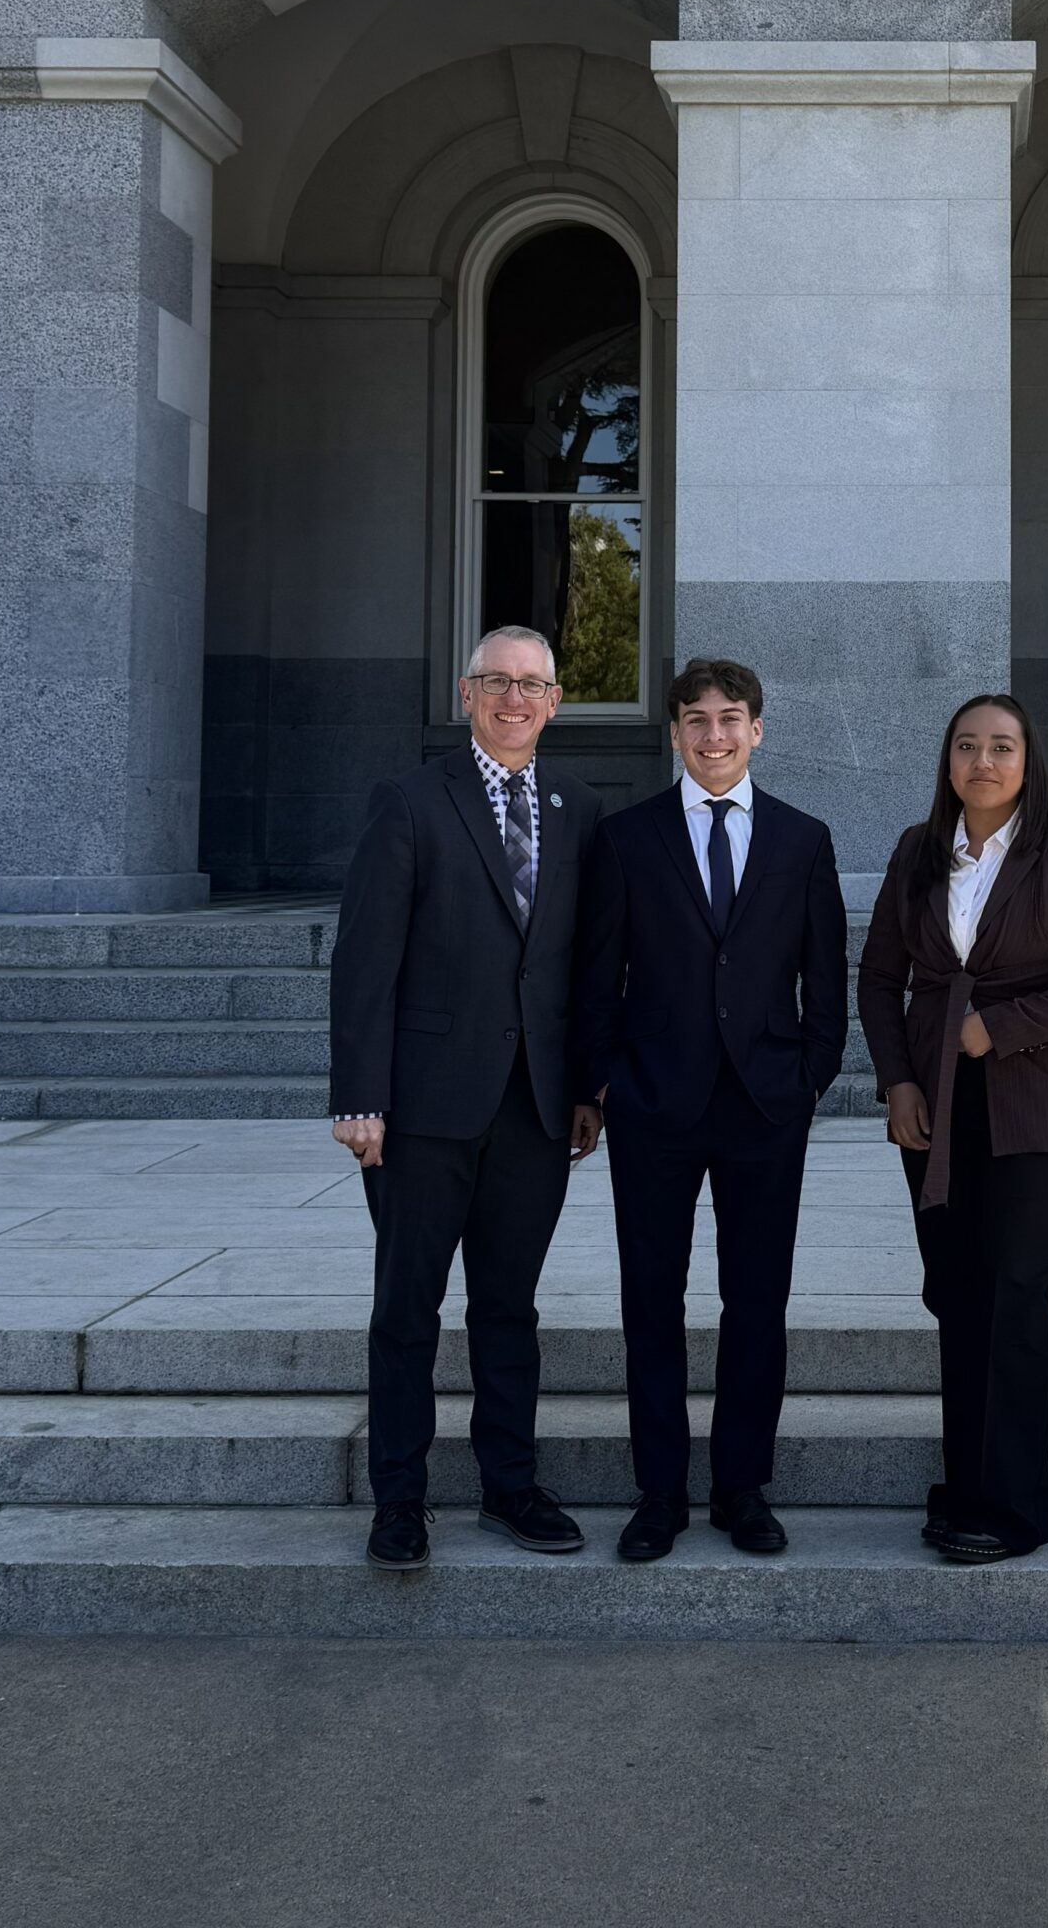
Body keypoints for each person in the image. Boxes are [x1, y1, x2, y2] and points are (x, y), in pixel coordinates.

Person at [329, 625, 605, 1572]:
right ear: (466, 693)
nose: (515, 699)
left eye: (533, 685)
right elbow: (365, 960)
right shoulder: (409, 802)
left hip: (536, 1109)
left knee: (509, 1310)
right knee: (407, 1310)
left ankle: (509, 1488)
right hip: (421, 1111)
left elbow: (582, 969)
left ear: (557, 701)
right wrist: (360, 1096)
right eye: (497, 682)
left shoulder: (579, 807)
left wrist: (588, 1090)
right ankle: (399, 1501)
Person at [572, 658, 848, 1562]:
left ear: (758, 729)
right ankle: (659, 1492)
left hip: (767, 1105)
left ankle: (742, 1487)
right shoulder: (627, 838)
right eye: (697, 720)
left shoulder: (804, 840)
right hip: (654, 1104)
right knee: (650, 1300)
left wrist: (810, 1076)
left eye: (732, 719)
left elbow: (826, 974)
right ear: (676, 732)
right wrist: (602, 1080)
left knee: (755, 1301)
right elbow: (596, 975)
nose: (715, 735)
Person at [857, 694, 1048, 1564]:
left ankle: (1014, 1509)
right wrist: (898, 1080)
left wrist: (998, 1028)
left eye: (1002, 747)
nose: (984, 761)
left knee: (1016, 1300)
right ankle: (961, 1491)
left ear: (1029, 762)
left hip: (1036, 1109)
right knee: (958, 1295)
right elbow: (876, 980)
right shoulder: (917, 851)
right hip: (934, 1103)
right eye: (967, 746)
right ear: (948, 763)